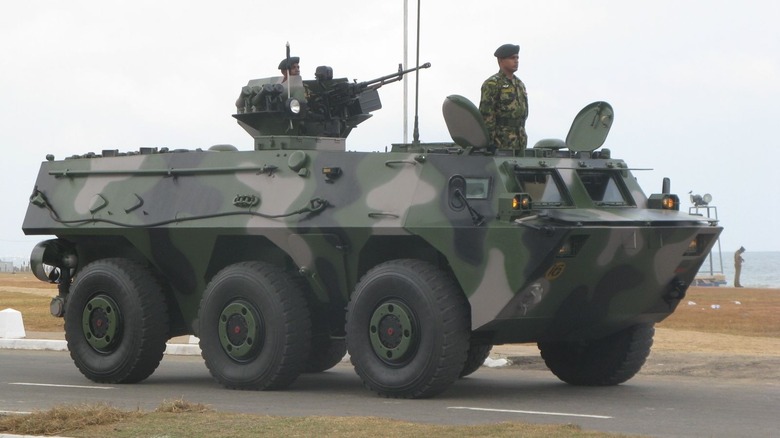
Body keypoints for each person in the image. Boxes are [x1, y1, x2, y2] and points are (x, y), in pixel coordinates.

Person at [479, 43, 529, 152]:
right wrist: (489, 142)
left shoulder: (520, 84)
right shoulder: (492, 83)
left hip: (520, 140)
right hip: (501, 141)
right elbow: (486, 115)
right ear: (501, 60)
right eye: (512, 58)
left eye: (517, 58)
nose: (516, 61)